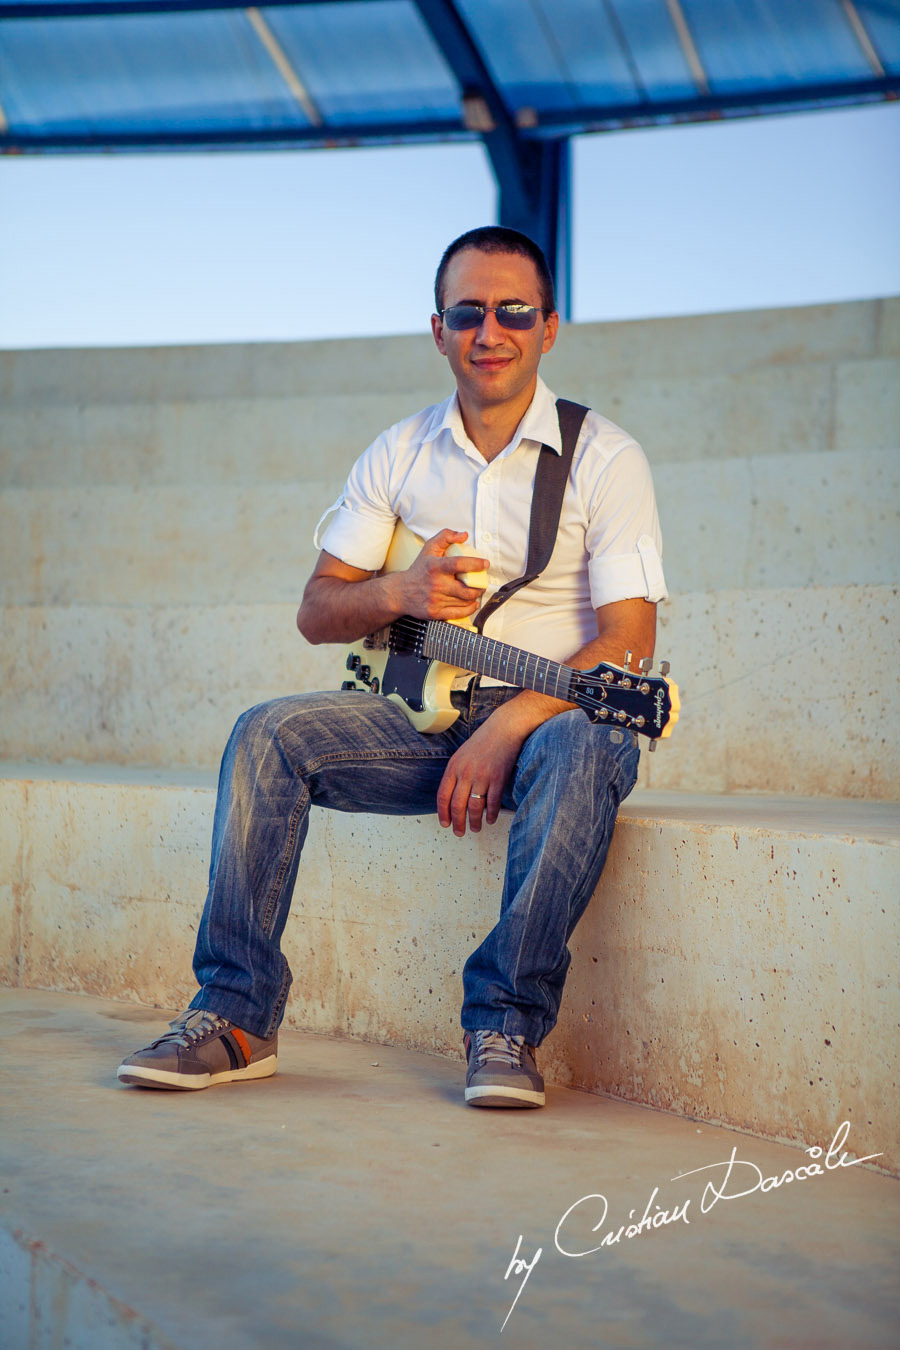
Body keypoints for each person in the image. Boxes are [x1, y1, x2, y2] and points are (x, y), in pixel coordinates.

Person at [118, 225, 667, 1108]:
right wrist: (401, 591)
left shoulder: (605, 457)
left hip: (548, 720)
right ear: (439, 329)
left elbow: (627, 643)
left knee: (592, 746)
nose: (490, 330)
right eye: (468, 311)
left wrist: (507, 732)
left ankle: (504, 1024)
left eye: (513, 310)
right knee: (266, 736)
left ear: (549, 327)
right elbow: (317, 611)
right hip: (416, 717)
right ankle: (235, 1015)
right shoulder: (398, 454)